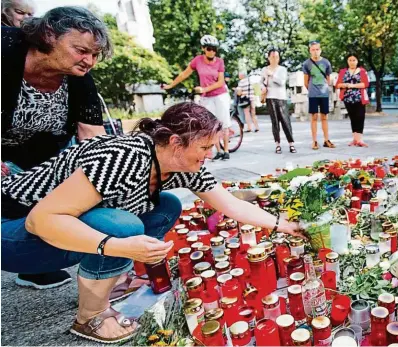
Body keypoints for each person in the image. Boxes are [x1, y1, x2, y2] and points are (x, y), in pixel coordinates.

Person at [1, 102, 305, 344]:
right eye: (204, 147)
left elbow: (230, 204)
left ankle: (106, 277)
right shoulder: (124, 155)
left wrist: (282, 224)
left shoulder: (183, 166)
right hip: (14, 231)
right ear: (176, 142)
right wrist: (117, 246)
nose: (210, 155)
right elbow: (40, 220)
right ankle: (90, 317)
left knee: (167, 206)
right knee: (123, 227)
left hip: (56, 229)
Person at [2, 6, 110, 290]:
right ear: (49, 35)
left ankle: (35, 266)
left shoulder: (78, 77)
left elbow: (92, 137)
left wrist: (108, 177)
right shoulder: (6, 49)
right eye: (81, 50)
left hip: (37, 154)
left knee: (56, 200)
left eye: (95, 55)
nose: (90, 61)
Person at [163, 35, 231, 160]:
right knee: (211, 125)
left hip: (220, 95)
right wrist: (170, 85)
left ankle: (226, 151)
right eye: (209, 48)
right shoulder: (197, 61)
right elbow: (184, 74)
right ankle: (219, 151)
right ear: (203, 48)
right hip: (207, 97)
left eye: (215, 49)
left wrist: (204, 89)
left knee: (224, 123)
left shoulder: (219, 62)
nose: (212, 51)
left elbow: (220, 82)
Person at [302, 41, 335, 150]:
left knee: (324, 117)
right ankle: (315, 141)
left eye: (317, 49)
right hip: (313, 95)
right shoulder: (306, 64)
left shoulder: (326, 62)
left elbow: (328, 80)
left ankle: (326, 140)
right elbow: (306, 82)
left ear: (320, 50)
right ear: (310, 51)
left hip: (324, 94)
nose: (315, 52)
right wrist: (312, 89)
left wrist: (323, 89)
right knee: (314, 117)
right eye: (313, 49)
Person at [262, 48, 296, 153]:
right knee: (275, 122)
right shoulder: (264, 69)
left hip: (281, 97)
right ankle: (277, 144)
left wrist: (272, 74)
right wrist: (262, 87)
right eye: (272, 57)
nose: (275, 59)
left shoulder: (282, 69)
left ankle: (291, 143)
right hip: (270, 97)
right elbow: (261, 82)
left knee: (285, 121)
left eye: (277, 57)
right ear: (268, 58)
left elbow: (281, 82)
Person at [336, 53, 371, 147]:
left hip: (359, 97)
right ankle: (355, 139)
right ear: (347, 61)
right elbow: (338, 84)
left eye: (354, 60)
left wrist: (352, 85)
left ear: (357, 61)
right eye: (350, 60)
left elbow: (365, 84)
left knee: (360, 117)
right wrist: (344, 85)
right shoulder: (343, 71)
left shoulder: (362, 71)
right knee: (352, 118)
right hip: (347, 98)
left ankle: (360, 139)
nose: (352, 62)